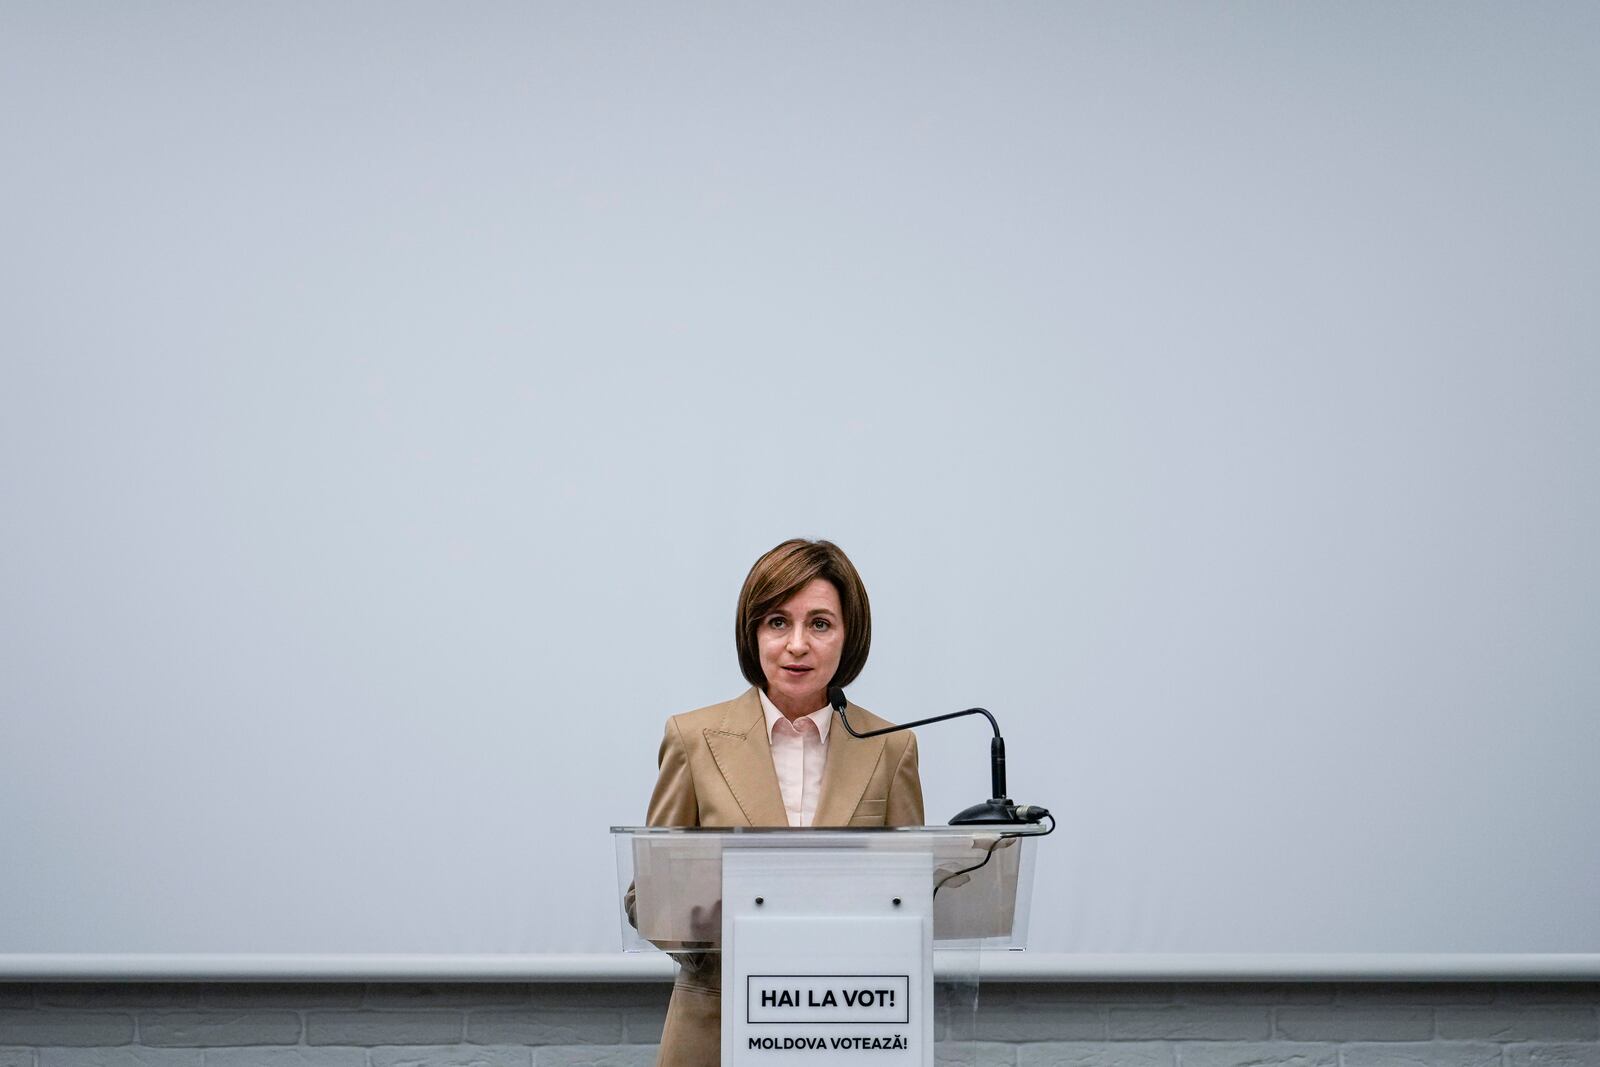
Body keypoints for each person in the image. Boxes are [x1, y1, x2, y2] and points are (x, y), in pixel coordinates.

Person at [644, 538, 924, 1067]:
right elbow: (647, 894)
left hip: (851, 1024)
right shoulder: (693, 737)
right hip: (718, 1026)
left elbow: (914, 897)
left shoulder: (891, 746)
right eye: (777, 621)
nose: (797, 644)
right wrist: (706, 926)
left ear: (849, 636)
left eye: (820, 623)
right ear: (753, 633)